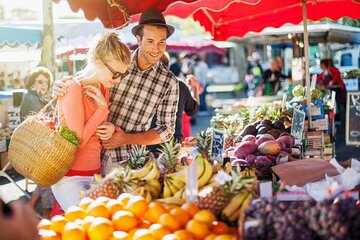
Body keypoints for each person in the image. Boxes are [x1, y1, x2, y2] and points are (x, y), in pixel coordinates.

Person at [52, 9, 179, 174]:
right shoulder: (117, 61)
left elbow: (167, 130)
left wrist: (126, 138)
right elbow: (84, 81)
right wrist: (60, 86)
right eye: (150, 41)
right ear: (138, 39)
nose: (156, 48)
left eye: (162, 42)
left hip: (128, 160)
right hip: (91, 154)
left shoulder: (169, 82)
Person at [51, 33, 131, 210]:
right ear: (97, 61)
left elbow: (95, 128)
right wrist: (103, 108)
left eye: (122, 76)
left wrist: (111, 128)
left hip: (94, 173)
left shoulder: (103, 86)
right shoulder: (73, 87)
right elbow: (77, 140)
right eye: (116, 74)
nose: (118, 80)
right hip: (70, 177)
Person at [19, 66, 56, 219]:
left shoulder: (39, 98)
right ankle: (47, 213)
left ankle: (31, 205)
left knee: (48, 170)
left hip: (39, 145)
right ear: (32, 83)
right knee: (49, 171)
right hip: (32, 148)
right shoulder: (32, 99)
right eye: (40, 82)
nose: (43, 85)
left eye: (46, 83)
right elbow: (40, 125)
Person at [150, 53, 199, 149]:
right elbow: (193, 111)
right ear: (168, 66)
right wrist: (195, 88)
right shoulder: (179, 84)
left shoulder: (144, 84)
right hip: (173, 144)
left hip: (146, 142)